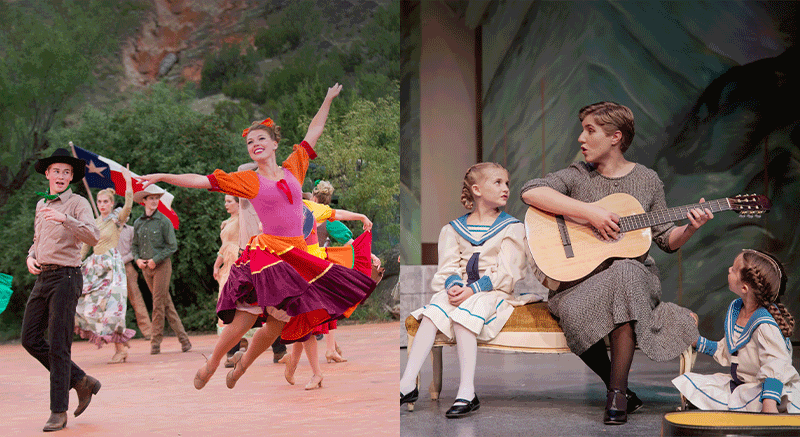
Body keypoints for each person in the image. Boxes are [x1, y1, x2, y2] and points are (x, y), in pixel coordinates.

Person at [138, 83, 377, 391]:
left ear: (275, 143)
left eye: (261, 139)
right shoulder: (249, 181)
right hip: (270, 255)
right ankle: (212, 362)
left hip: (298, 256)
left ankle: (242, 367)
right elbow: (202, 181)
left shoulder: (294, 168)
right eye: (250, 142)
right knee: (246, 317)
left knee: (278, 323)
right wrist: (161, 177)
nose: (255, 144)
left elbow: (314, 130)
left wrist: (328, 99)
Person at [520, 101, 713, 425]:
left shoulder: (648, 180)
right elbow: (531, 192)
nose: (581, 137)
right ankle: (617, 387)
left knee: (624, 273)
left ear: (615, 137)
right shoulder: (577, 174)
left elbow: (665, 239)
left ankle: (617, 394)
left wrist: (690, 228)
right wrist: (591, 213)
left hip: (635, 275)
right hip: (579, 280)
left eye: (590, 130)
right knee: (571, 305)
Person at [399, 162, 530, 418]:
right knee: (434, 309)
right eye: (498, 182)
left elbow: (507, 272)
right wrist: (454, 286)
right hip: (464, 292)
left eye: (507, 183)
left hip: (494, 293)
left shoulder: (512, 227)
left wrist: (473, 290)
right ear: (477, 189)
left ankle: (467, 390)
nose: (505, 189)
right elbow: (448, 267)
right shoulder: (453, 229)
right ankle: (407, 383)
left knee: (468, 309)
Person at [22, 148, 101, 432]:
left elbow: (94, 235)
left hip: (67, 277)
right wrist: (31, 256)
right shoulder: (42, 203)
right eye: (56, 171)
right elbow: (37, 239)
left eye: (66, 172)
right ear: (47, 174)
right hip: (43, 277)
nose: (61, 176)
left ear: (72, 178)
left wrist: (65, 219)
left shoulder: (77, 203)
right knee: (29, 338)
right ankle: (81, 380)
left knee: (58, 343)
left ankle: (58, 411)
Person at [673, 250, 799, 413]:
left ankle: (767, 404)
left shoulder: (765, 324)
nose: (729, 270)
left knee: (755, 398)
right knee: (690, 382)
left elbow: (775, 364)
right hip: (742, 384)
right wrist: (697, 342)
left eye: (733, 269)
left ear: (745, 287)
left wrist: (769, 405)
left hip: (767, 389)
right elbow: (727, 350)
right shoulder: (736, 310)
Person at [283, 197, 378, 389]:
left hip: (314, 272)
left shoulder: (309, 207)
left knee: (305, 320)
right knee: (303, 320)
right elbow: (264, 227)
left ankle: (313, 371)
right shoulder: (283, 209)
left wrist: (361, 216)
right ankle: (295, 366)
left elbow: (338, 214)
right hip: (300, 270)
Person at [74, 165, 137, 363]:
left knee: (113, 307)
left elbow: (128, 206)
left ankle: (120, 349)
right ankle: (120, 343)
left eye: (105, 202)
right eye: (99, 202)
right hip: (95, 266)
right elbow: (85, 245)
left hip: (113, 266)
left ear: (111, 203)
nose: (102, 204)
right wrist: (77, 262)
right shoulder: (93, 222)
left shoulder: (116, 220)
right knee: (85, 304)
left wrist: (127, 182)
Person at [132, 185, 191, 355]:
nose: (154, 201)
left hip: (161, 266)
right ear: (144, 201)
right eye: (151, 198)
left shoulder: (164, 221)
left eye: (156, 198)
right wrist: (137, 259)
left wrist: (155, 260)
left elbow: (172, 246)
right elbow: (134, 246)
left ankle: (155, 342)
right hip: (145, 267)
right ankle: (184, 340)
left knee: (157, 303)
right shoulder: (138, 223)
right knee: (166, 303)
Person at [116, 212, 152, 340]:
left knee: (136, 299)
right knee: (114, 303)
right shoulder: (108, 229)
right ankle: (115, 335)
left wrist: (122, 259)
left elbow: (135, 250)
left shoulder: (131, 230)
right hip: (111, 270)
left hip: (127, 267)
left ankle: (148, 332)